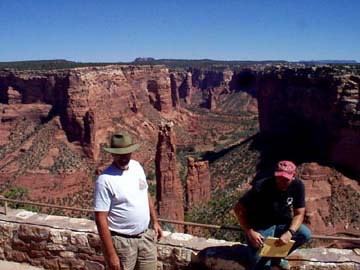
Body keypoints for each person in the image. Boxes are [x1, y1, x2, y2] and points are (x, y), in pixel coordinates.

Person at [94, 131, 163, 270]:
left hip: (145, 237)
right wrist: (111, 254)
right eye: (119, 154)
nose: (123, 157)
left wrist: (155, 221)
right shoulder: (105, 180)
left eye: (127, 153)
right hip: (121, 243)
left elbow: (146, 194)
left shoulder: (137, 167)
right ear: (112, 154)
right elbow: (100, 219)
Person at [234, 160, 311, 270]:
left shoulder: (298, 186)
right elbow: (238, 209)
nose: (281, 181)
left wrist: (290, 232)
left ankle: (277, 256)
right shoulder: (260, 187)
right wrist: (250, 232)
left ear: (294, 176)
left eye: (286, 179)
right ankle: (260, 254)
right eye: (279, 177)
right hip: (260, 226)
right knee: (261, 265)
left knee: (305, 234)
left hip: (282, 224)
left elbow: (299, 213)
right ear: (275, 174)